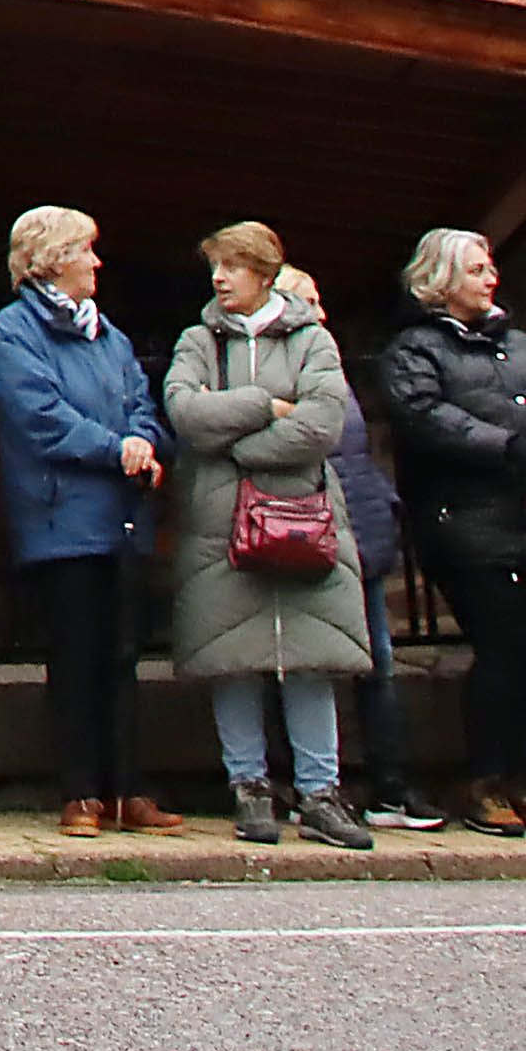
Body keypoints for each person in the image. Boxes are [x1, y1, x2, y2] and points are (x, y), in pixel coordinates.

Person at [162, 222, 376, 850]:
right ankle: (249, 787)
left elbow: (322, 423)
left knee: (310, 657)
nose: (219, 279)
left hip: (303, 516)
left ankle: (319, 791)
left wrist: (239, 443)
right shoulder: (198, 339)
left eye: (231, 266)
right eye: (215, 269)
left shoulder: (315, 341)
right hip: (220, 524)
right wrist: (264, 404)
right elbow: (185, 414)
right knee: (234, 656)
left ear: (264, 271)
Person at [377, 226, 526, 837]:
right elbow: (425, 415)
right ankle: (483, 779)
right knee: (499, 644)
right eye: (475, 270)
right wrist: (508, 447)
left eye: (490, 266)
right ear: (441, 280)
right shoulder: (415, 349)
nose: (490, 278)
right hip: (461, 517)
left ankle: (515, 775)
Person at [0, 203, 178, 839]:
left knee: (122, 658)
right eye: (85, 250)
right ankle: (80, 793)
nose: (96, 262)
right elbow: (41, 416)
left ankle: (127, 789)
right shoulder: (14, 333)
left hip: (120, 517)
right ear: (50, 260)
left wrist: (143, 440)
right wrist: (114, 447)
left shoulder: (109, 336)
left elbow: (141, 402)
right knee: (73, 657)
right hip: (61, 519)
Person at [285, 262, 439, 832]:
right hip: (310, 535)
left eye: (320, 300)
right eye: (307, 301)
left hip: (359, 530)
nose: (320, 313)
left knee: (378, 663)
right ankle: (314, 787)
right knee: (312, 667)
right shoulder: (287, 366)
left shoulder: (331, 365)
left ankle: (390, 786)